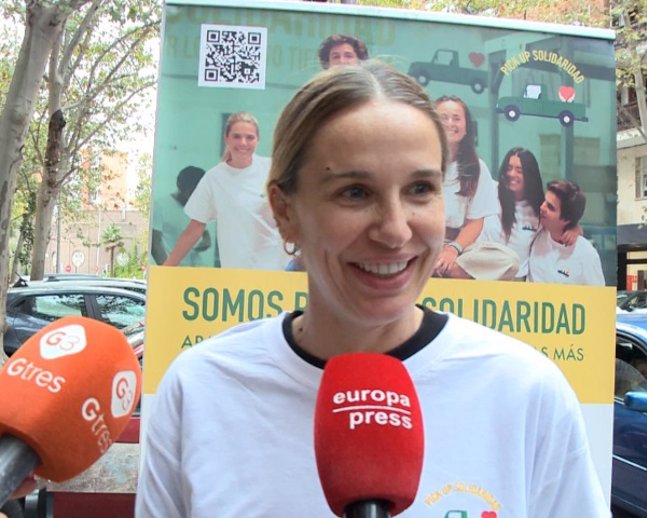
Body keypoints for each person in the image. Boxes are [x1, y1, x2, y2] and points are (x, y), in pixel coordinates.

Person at [136, 61, 609, 517]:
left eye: (420, 189)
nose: (395, 230)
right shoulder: (200, 392)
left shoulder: (526, 393)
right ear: (284, 210)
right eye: (355, 193)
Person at [163, 112, 286, 270]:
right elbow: (195, 228)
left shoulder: (272, 170)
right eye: (236, 136)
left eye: (250, 137)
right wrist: (165, 269)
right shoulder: (214, 178)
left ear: (258, 140)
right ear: (226, 138)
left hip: (275, 273)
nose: (243, 143)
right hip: (234, 275)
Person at [433, 95, 499, 278]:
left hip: (457, 247)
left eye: (456, 118)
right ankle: (437, 267)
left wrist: (453, 249)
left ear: (466, 127)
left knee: (506, 259)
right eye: (443, 118)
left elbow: (475, 222)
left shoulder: (478, 167)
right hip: (422, 241)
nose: (450, 123)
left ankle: (444, 269)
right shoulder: (417, 161)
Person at [528, 179, 605, 285]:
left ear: (566, 220)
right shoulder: (537, 229)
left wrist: (576, 229)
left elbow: (598, 298)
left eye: (550, 207)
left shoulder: (587, 255)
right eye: (544, 201)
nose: (542, 207)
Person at [151, 166, 214, 267]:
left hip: (195, 270)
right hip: (173, 272)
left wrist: (206, 241)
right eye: (193, 191)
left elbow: (204, 231)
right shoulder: (160, 206)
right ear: (180, 186)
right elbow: (155, 244)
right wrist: (167, 271)